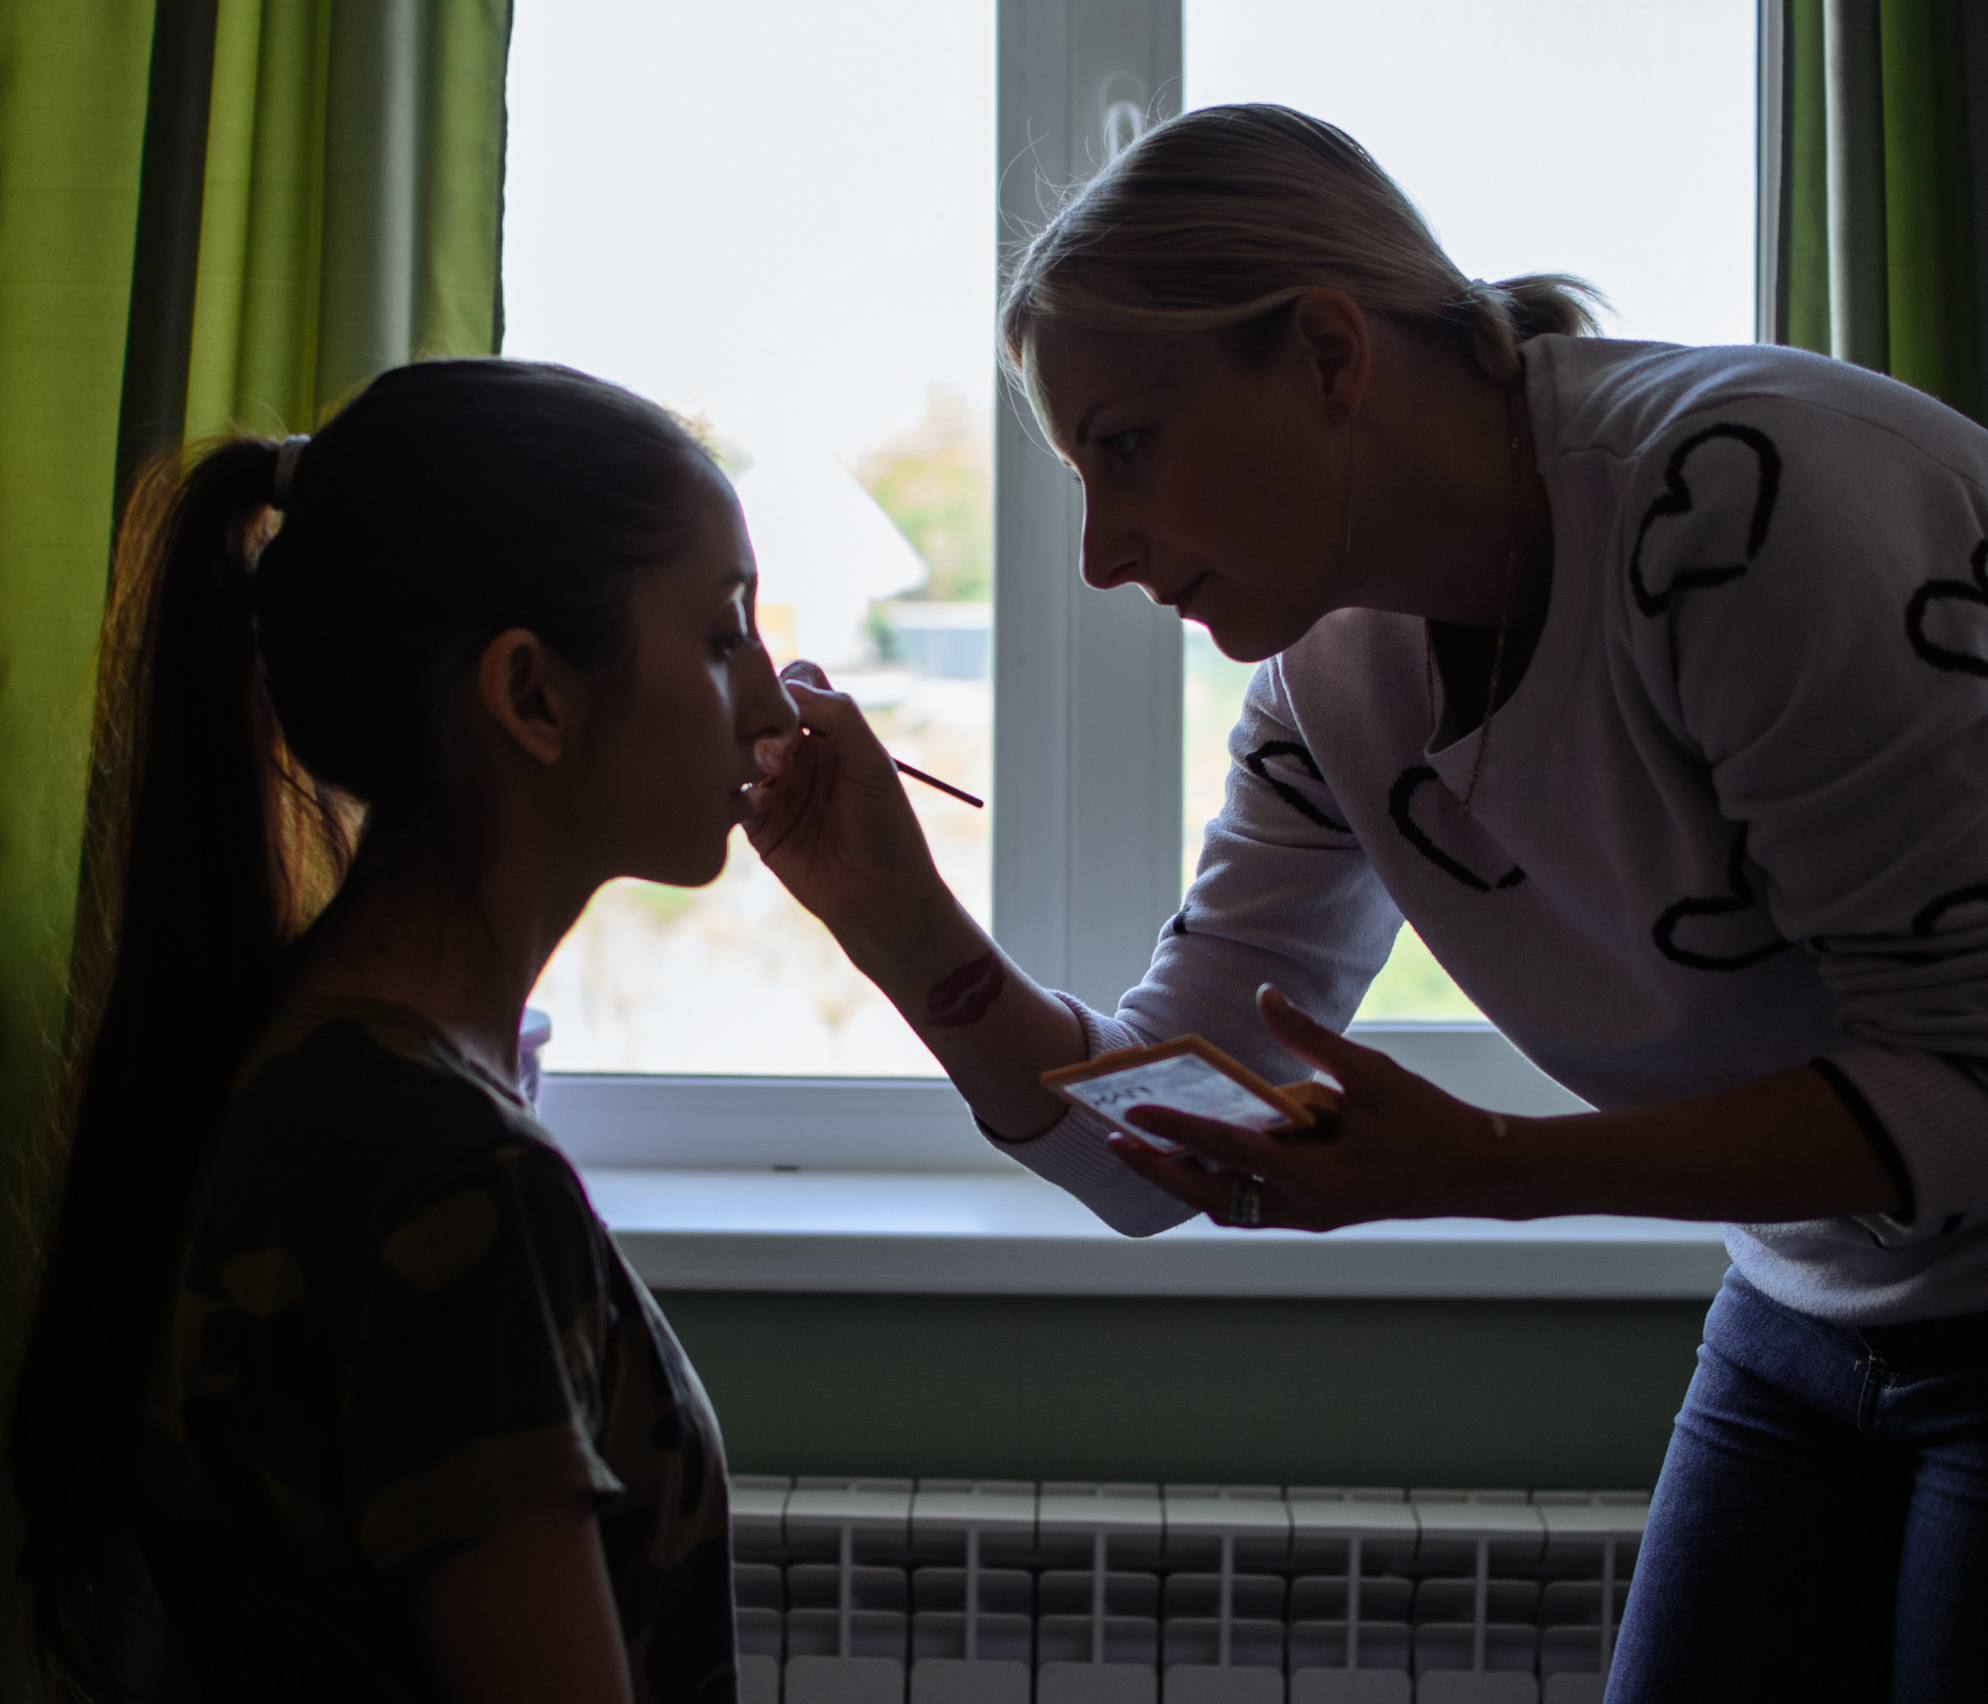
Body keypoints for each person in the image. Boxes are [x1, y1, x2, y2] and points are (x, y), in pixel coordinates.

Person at [746, 105, 1988, 1697]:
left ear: (1331, 352)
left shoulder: (1744, 506)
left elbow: (1970, 1080)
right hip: (1813, 1307)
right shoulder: (1327, 682)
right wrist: (896, 921)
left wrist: (1492, 1168)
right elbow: (1154, 1149)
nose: (1101, 556)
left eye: (1126, 447)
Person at [10, 359, 793, 1702]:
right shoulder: (449, 1179)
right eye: (724, 636)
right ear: (531, 697)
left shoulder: (309, 1065)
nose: (772, 703)